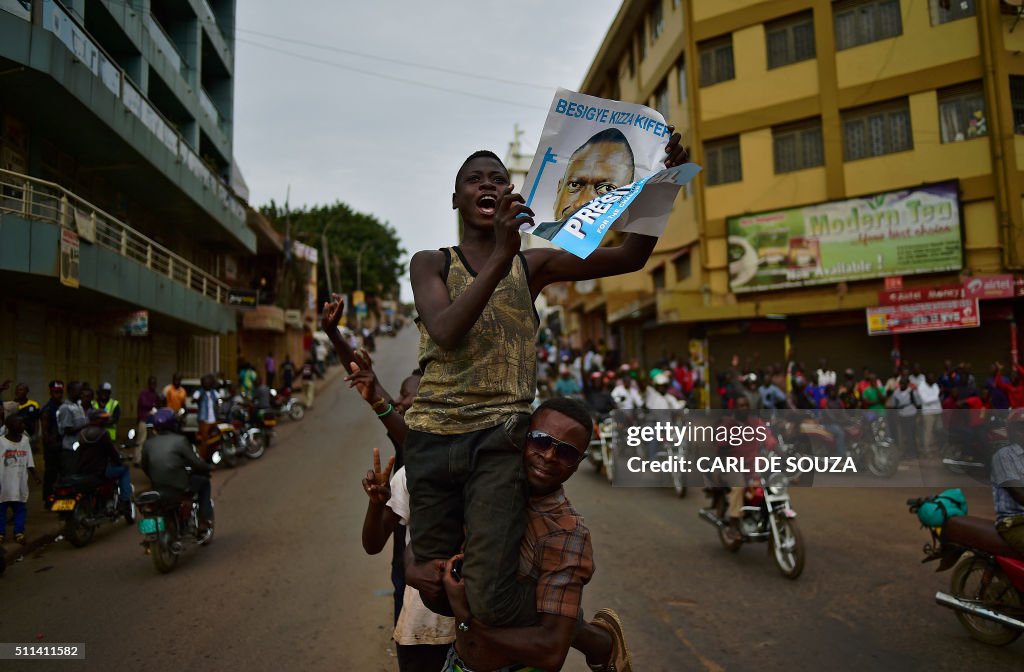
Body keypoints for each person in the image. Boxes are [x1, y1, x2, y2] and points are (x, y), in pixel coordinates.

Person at [405, 137, 686, 627]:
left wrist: (663, 187)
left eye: (497, 178)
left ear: (511, 193)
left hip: (497, 438)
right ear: (457, 200)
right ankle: (545, 636)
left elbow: (630, 257)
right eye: (475, 179)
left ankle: (566, 628)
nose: (487, 184)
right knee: (431, 587)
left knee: (488, 599)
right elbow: (447, 332)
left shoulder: (531, 265)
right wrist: (500, 253)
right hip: (432, 439)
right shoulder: (430, 262)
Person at [405, 399, 627, 672]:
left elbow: (550, 652)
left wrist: (467, 619)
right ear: (522, 436)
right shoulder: (483, 488)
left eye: (566, 453)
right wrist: (412, 564)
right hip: (457, 663)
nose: (548, 456)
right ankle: (589, 634)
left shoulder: (567, 533)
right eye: (541, 441)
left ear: (579, 463)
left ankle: (594, 638)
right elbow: (431, 530)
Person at [532, 128, 636, 240]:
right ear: (559, 189)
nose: (581, 203)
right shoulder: (532, 256)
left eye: (606, 189)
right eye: (574, 185)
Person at [142, 408, 213, 533]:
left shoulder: (148, 443)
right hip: (179, 488)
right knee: (204, 482)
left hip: (157, 488)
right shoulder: (180, 440)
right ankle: (204, 520)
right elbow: (195, 462)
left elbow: (145, 467)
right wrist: (207, 467)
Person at [717, 395, 777, 543]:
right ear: (734, 408)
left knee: (774, 484)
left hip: (753, 466)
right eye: (740, 406)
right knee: (739, 486)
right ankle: (733, 525)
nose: (743, 408)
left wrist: (781, 451)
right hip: (731, 466)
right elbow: (720, 445)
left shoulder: (756, 423)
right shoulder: (727, 425)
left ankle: (770, 515)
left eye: (746, 405)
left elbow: (770, 440)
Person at [76, 409, 132, 520]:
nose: (106, 421)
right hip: (100, 470)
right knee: (124, 470)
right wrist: (120, 461)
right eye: (103, 419)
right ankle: (125, 501)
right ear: (96, 420)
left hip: (83, 470)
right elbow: (112, 453)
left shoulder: (82, 433)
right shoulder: (102, 433)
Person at [0, 415, 41, 545]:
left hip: (19, 482)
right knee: (1, 510)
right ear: (9, 426)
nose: (23, 426)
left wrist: (35, 475)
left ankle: (19, 532)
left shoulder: (24, 441)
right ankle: (1, 533)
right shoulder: (1, 442)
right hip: (4, 483)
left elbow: (29, 460)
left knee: (20, 509)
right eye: (19, 424)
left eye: (23, 423)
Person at [991, 411, 1024, 556]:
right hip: (1013, 522)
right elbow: (1017, 492)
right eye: (1021, 428)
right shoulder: (1003, 455)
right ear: (1010, 431)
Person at [39, 380, 65, 504]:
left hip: (63, 445)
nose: (58, 395)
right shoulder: (47, 409)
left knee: (64, 472)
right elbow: (44, 431)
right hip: (52, 447)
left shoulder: (63, 407)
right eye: (56, 392)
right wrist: (49, 446)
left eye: (60, 392)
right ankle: (48, 498)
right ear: (51, 392)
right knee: (51, 474)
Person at [56, 381, 88, 473]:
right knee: (71, 475)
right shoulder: (66, 408)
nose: (82, 393)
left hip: (80, 447)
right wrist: (86, 426)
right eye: (79, 391)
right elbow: (67, 430)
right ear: (71, 391)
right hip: (70, 448)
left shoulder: (78, 406)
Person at [135, 376, 160, 467]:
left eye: (155, 383)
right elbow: (144, 404)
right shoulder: (144, 394)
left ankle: (151, 460)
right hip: (144, 420)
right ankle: (138, 460)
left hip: (153, 421)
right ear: (148, 384)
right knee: (141, 440)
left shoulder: (156, 394)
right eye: (151, 383)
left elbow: (158, 405)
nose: (153, 385)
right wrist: (153, 405)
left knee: (153, 441)